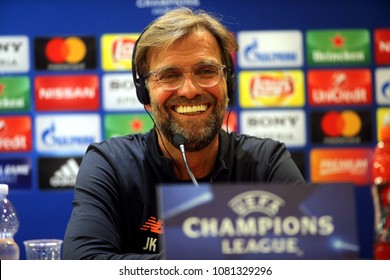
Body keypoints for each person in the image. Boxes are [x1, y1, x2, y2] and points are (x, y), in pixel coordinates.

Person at [62, 7, 306, 260]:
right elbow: (83, 264)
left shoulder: (267, 161)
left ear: (228, 84)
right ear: (144, 95)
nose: (189, 90)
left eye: (206, 71)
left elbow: (313, 257)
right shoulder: (110, 163)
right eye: (169, 75)